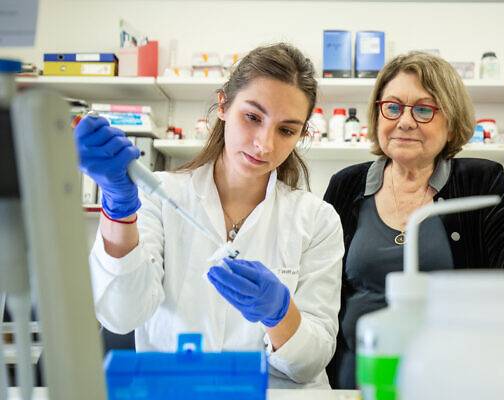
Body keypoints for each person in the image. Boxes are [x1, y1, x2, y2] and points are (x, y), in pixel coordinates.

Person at [75, 43, 344, 388]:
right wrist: (118, 209)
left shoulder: (317, 220)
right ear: (223, 105)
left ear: (301, 134)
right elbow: (121, 314)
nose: (264, 143)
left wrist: (280, 314)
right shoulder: (159, 195)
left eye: (286, 130)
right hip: (174, 391)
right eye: (252, 117)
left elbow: (310, 364)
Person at [323, 51, 504, 389]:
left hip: (453, 383)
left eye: (423, 109)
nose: (405, 121)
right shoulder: (346, 186)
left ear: (451, 121)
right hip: (357, 383)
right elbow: (318, 291)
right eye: (393, 106)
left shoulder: (480, 183)